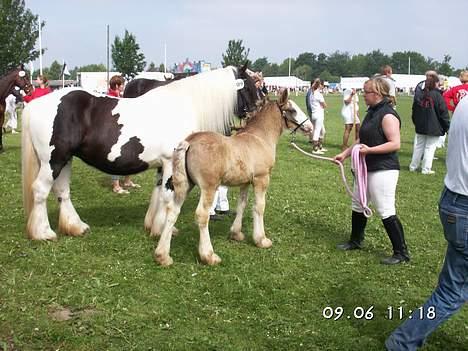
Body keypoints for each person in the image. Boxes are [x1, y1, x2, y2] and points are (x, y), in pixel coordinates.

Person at [385, 94, 468, 351]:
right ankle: (402, 342)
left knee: (450, 289)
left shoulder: (465, 101)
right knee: (452, 291)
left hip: (455, 202)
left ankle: (402, 341)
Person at [334, 77, 410, 265]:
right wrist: (345, 154)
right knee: (358, 204)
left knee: (385, 209)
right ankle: (355, 241)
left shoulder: (387, 115)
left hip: (383, 169)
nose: (362, 95)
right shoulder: (372, 113)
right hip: (366, 168)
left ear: (376, 94)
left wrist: (370, 151)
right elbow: (362, 139)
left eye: (365, 92)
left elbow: (395, 144)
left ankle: (401, 252)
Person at [409, 74, 450, 175]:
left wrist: (416, 123)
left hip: (421, 126)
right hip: (434, 126)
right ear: (436, 84)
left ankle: (413, 166)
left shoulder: (419, 95)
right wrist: (447, 127)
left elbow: (414, 112)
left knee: (419, 146)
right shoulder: (438, 96)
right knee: (430, 148)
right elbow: (443, 113)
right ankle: (426, 169)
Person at [107, 75, 140, 194]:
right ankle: (116, 186)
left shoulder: (118, 96)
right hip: (114, 132)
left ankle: (127, 181)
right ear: (116, 85)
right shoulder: (110, 97)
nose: (123, 87)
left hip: (123, 129)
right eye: (122, 85)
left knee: (129, 155)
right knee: (116, 158)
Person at [308, 78, 327, 154]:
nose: (323, 86)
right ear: (319, 85)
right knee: (317, 131)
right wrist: (324, 105)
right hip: (319, 114)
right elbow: (324, 105)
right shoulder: (318, 94)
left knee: (323, 131)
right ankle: (315, 149)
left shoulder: (312, 94)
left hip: (314, 114)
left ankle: (320, 146)